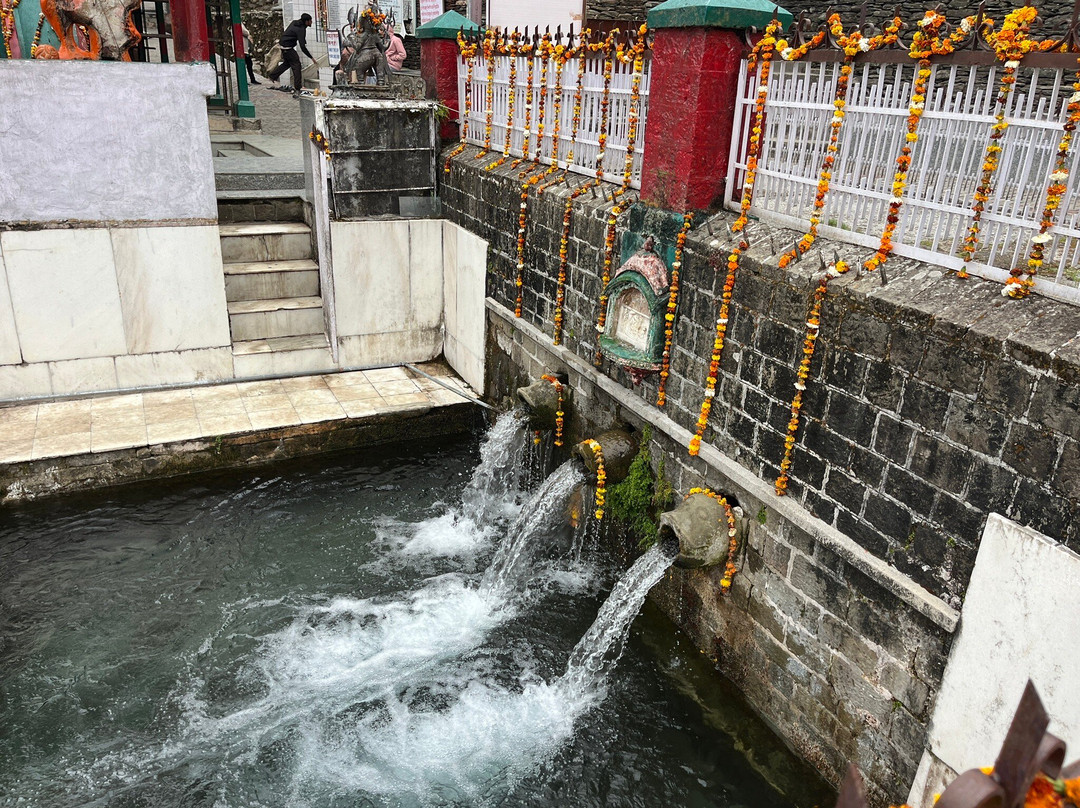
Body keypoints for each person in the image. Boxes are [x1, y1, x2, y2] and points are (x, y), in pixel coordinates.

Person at [268, 13, 314, 97]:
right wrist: (311, 57)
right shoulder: (301, 29)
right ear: (306, 21)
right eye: (310, 21)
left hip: (283, 46)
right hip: (288, 48)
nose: (311, 22)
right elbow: (302, 46)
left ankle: (273, 75)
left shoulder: (294, 23)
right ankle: (298, 88)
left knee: (287, 63)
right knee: (297, 65)